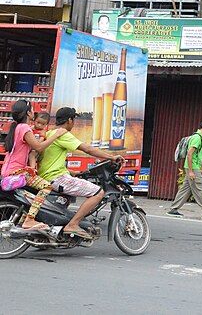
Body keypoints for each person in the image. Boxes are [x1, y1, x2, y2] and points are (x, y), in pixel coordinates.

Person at [37, 106, 124, 239]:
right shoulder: (63, 133)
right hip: (56, 178)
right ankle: (73, 224)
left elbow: (50, 160)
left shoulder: (50, 133)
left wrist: (72, 172)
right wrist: (111, 157)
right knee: (98, 192)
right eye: (74, 120)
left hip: (48, 176)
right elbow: (88, 149)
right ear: (70, 120)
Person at [0, 101, 66, 230]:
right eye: (32, 110)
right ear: (29, 113)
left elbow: (31, 152)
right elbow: (39, 147)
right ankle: (29, 219)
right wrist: (56, 135)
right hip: (18, 172)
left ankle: (26, 217)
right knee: (46, 186)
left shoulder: (17, 127)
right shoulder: (24, 127)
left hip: (8, 171)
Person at [167, 119, 202, 219]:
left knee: (185, 189)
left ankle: (173, 209)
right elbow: (189, 154)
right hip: (192, 168)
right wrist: (191, 171)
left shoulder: (200, 137)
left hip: (194, 167)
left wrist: (200, 168)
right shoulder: (197, 138)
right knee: (200, 190)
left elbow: (196, 155)